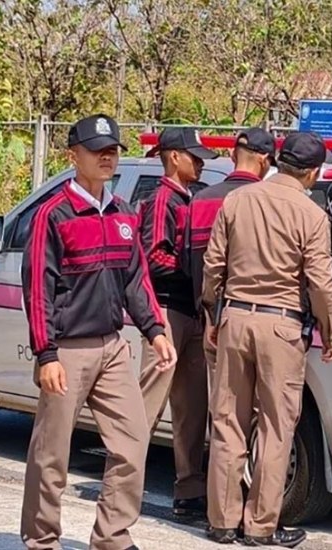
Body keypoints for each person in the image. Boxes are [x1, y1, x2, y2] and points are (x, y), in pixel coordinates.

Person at [20, 114, 176, 550]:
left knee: (132, 441)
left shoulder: (124, 213)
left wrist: (155, 330)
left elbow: (136, 279)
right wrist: (46, 353)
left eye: (112, 150)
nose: (107, 157)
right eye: (96, 150)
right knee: (52, 453)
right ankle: (41, 540)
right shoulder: (53, 215)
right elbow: (38, 289)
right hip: (66, 351)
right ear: (74, 156)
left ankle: (112, 537)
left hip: (112, 347)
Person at [201, 131, 332, 547]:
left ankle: (221, 521)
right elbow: (320, 282)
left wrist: (213, 312)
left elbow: (213, 266)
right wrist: (329, 329)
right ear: (313, 172)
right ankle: (260, 526)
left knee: (228, 421)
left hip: (235, 318)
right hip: (282, 326)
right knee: (276, 429)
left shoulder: (237, 200)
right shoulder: (312, 214)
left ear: (279, 161)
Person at [137, 127, 217, 519]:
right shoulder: (161, 200)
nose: (200, 163)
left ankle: (189, 491)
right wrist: (194, 271)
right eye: (193, 156)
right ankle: (124, 483)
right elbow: (153, 257)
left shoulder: (191, 198)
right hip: (167, 311)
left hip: (192, 312)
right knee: (148, 405)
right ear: (173, 157)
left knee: (192, 408)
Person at [186, 127, 276, 373]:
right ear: (264, 161)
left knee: (221, 393)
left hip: (211, 319)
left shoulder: (201, 199)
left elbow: (192, 262)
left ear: (233, 155)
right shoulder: (271, 203)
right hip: (258, 317)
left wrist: (208, 312)